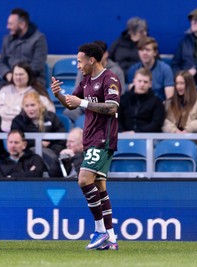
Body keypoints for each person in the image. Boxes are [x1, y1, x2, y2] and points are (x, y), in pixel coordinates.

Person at [51, 42, 120, 250]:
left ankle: (100, 231)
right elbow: (72, 102)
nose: (78, 66)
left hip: (103, 138)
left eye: (80, 62)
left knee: (83, 180)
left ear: (92, 60)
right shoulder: (86, 80)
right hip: (90, 138)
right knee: (99, 188)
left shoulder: (110, 79)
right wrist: (59, 95)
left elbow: (112, 107)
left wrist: (81, 102)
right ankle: (112, 239)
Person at [66, 40, 125, 122]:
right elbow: (77, 93)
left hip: (105, 106)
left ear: (106, 54)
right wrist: (58, 94)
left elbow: (116, 100)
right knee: (68, 112)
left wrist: (84, 102)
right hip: (85, 104)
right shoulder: (84, 71)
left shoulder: (115, 73)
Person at [11, 91, 66, 177]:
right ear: (23, 107)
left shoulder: (51, 118)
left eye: (33, 105)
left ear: (39, 105)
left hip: (52, 153)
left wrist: (53, 151)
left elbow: (61, 139)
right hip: (27, 157)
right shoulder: (18, 121)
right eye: (27, 106)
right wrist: (38, 144)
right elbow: (15, 140)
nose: (30, 109)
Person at [0, 61, 55, 132]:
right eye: (16, 74)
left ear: (28, 75)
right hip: (0, 129)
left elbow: (50, 112)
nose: (18, 77)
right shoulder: (4, 90)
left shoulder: (37, 92)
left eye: (21, 74)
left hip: (25, 130)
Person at [0, 8, 48, 91]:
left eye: (11, 24)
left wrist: (18, 76)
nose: (8, 27)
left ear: (22, 24)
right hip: (10, 80)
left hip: (33, 81)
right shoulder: (7, 39)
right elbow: (1, 62)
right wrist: (7, 74)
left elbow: (37, 65)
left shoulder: (39, 39)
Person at [127, 37, 174, 101]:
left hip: (159, 107)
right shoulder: (133, 69)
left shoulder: (165, 70)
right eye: (141, 50)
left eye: (148, 50)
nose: (144, 53)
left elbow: (169, 100)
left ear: (155, 53)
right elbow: (132, 97)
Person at [119, 67, 165, 133]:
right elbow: (116, 119)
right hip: (124, 136)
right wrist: (121, 132)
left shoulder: (157, 102)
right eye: (139, 81)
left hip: (149, 138)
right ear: (134, 81)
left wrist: (136, 132)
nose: (142, 84)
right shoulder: (123, 99)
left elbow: (156, 124)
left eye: (145, 82)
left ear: (150, 84)